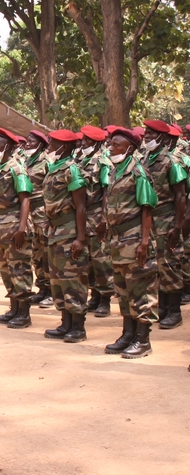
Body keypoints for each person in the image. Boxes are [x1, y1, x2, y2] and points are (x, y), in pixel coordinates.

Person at [101, 127, 159, 358]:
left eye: (116, 145)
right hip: (118, 241)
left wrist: (145, 242)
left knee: (140, 290)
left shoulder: (138, 172)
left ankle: (143, 339)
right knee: (123, 290)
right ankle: (128, 334)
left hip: (135, 238)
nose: (111, 148)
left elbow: (147, 208)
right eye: (111, 144)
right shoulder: (117, 171)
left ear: (130, 148)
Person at [43, 130, 89, 343]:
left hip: (69, 230)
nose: (50, 146)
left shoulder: (72, 170)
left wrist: (80, 238)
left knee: (73, 278)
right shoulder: (54, 168)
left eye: (54, 143)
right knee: (58, 279)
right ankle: (66, 323)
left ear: (65, 146)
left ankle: (78, 327)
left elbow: (81, 206)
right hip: (54, 232)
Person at [142, 119, 187, 329]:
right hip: (149, 220)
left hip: (166, 218)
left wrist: (178, 225)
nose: (146, 137)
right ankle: (161, 307)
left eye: (151, 135)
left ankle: (174, 311)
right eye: (146, 134)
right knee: (155, 266)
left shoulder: (171, 161)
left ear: (161, 137)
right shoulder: (143, 159)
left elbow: (180, 196)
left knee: (169, 264)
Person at [0, 128, 35, 329]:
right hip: (1, 227)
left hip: (15, 224)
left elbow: (25, 199)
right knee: (6, 269)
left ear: (7, 146)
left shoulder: (16, 168)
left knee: (19, 269)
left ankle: (24, 313)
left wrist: (22, 228)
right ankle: (14, 308)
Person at [78, 126, 115, 317]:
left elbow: (106, 191)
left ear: (97, 143)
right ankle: (94, 295)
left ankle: (105, 299)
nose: (83, 143)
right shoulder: (81, 160)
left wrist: (104, 218)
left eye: (88, 141)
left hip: (96, 214)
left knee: (101, 259)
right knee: (88, 260)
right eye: (83, 140)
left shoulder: (103, 162)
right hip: (82, 215)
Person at [24, 131, 52, 308]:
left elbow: (51, 189)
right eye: (27, 141)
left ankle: (52, 291)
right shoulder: (27, 161)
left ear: (40, 144)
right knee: (36, 250)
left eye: (31, 141)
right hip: (29, 210)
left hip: (43, 209)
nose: (27, 144)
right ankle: (42, 287)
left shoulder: (46, 161)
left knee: (47, 250)